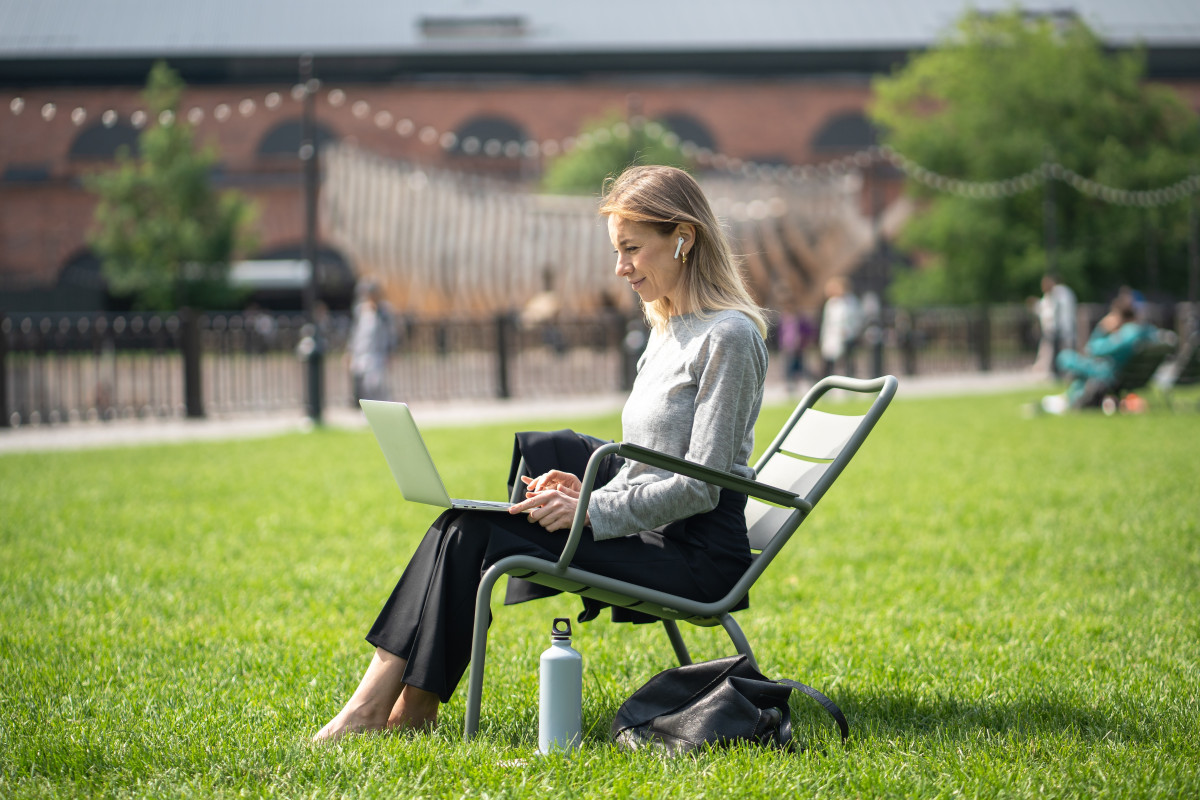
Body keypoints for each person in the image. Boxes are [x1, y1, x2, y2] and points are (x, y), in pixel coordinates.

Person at [313, 165, 770, 741]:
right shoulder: (667, 327)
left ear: (683, 237)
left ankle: (387, 712)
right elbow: (655, 461)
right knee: (461, 522)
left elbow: (700, 486)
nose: (619, 267)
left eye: (631, 249)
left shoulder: (728, 336)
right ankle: (394, 708)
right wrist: (588, 492)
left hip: (696, 557)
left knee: (474, 531)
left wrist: (593, 514)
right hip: (654, 530)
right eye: (617, 250)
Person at [1039, 290, 1156, 413]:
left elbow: (1093, 349)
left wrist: (1101, 328)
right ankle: (1067, 399)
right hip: (1114, 372)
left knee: (1065, 357)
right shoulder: (1143, 331)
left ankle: (1068, 400)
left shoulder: (1128, 333)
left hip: (1107, 373)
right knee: (1080, 375)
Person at [346, 278, 394, 403]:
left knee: (376, 385)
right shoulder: (360, 310)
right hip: (361, 353)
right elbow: (355, 333)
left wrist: (390, 353)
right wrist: (350, 352)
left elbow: (390, 334)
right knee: (363, 386)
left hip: (377, 355)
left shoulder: (383, 312)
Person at [819, 276, 861, 378]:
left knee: (848, 361)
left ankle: (850, 380)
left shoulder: (851, 301)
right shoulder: (832, 303)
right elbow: (827, 323)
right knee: (830, 361)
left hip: (848, 335)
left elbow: (857, 318)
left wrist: (853, 331)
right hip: (833, 337)